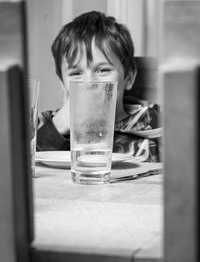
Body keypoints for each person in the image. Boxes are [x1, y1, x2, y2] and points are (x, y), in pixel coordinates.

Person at [37, 11, 161, 162]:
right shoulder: (42, 125)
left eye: (103, 70)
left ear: (128, 77)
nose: (90, 84)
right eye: (76, 73)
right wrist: (57, 127)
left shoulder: (157, 122)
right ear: (63, 84)